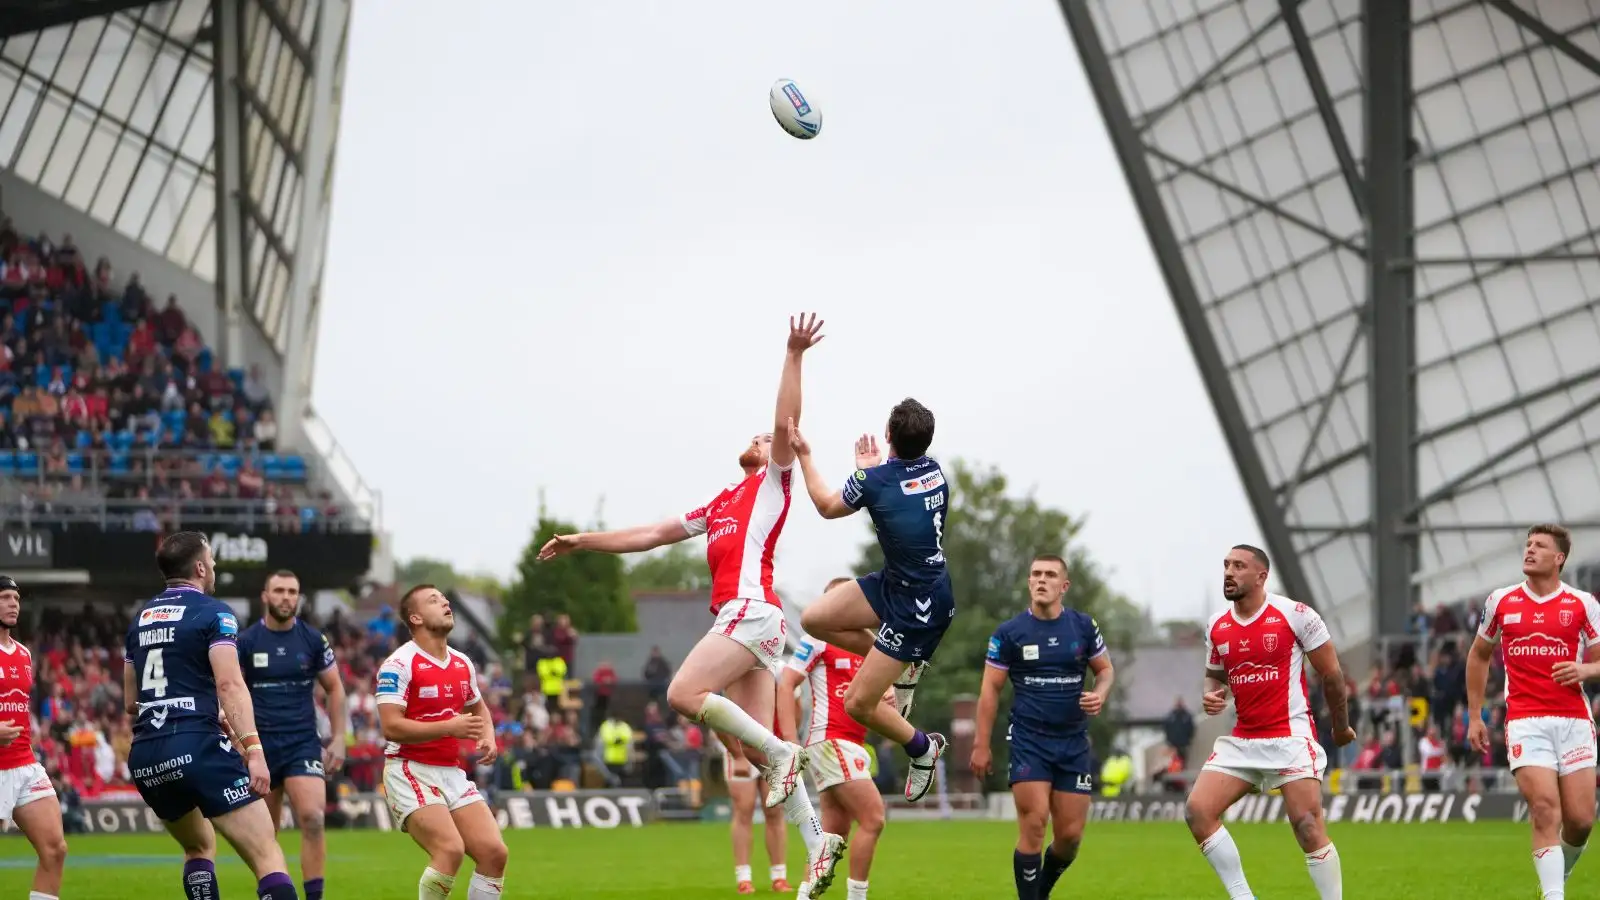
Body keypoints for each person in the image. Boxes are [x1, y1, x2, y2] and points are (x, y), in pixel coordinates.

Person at [538, 314, 845, 896]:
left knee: (683, 695)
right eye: (758, 436)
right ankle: (817, 849)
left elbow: (787, 418)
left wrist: (793, 354)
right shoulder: (720, 504)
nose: (758, 438)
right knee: (757, 753)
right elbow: (650, 535)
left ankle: (784, 753)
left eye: (763, 437)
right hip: (755, 625)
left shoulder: (771, 483)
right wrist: (583, 541)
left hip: (750, 611)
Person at [786, 400, 952, 802]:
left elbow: (828, 506)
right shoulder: (934, 472)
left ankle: (923, 749)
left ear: (889, 434)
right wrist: (874, 470)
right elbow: (896, 501)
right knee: (815, 618)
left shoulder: (875, 480)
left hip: (917, 609)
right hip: (899, 583)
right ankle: (906, 663)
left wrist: (806, 455)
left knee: (858, 703)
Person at [122, 531, 300, 900]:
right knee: (267, 853)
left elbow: (130, 701)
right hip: (196, 745)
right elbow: (230, 685)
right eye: (213, 560)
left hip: (147, 754)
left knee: (198, 848)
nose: (215, 566)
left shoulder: (139, 619)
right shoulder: (214, 612)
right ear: (200, 567)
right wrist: (254, 750)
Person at [1184, 544, 1353, 900]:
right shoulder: (1217, 625)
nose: (1229, 572)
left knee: (1307, 825)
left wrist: (1340, 726)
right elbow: (1214, 677)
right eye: (1226, 564)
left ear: (1261, 576)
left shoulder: (1296, 614)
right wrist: (1210, 694)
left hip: (1289, 735)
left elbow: (1333, 675)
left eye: (1239, 566)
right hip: (1242, 740)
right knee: (1198, 812)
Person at [1467, 523, 1600, 900]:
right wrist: (1475, 715)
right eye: (1528, 544)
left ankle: (1558, 876)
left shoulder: (1582, 604)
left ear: (1559, 558)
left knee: (1580, 822)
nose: (1530, 550)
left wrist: (1585, 670)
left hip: (1574, 720)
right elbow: (1478, 655)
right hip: (1525, 720)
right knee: (1544, 808)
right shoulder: (1501, 602)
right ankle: (1554, 895)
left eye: (1540, 546)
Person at [971, 555, 1114, 900]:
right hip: (1028, 739)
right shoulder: (1009, 633)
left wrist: (1099, 693)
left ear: (1064, 586)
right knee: (1034, 823)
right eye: (1035, 574)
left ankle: (1040, 893)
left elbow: (1105, 670)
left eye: (1050, 575)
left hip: (1073, 742)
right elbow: (990, 689)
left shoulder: (1083, 626)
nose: (1041, 580)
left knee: (1069, 838)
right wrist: (981, 744)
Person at [376, 584, 507, 900]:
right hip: (410, 769)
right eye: (435, 601)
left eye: (446, 600)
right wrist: (450, 725)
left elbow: (478, 707)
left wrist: (487, 736)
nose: (446, 603)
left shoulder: (462, 662)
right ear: (416, 617)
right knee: (450, 850)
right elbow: (391, 727)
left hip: (450, 771)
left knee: (494, 853)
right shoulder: (399, 664)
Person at [237, 569, 347, 900]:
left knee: (313, 818)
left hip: (302, 743)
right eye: (280, 590)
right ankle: (274, 892)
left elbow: (335, 689)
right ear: (265, 596)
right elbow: (232, 693)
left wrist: (339, 738)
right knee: (265, 834)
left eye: (292, 591)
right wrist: (241, 742)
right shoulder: (245, 642)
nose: (287, 597)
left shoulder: (313, 640)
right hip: (262, 747)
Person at [778, 582, 891, 900]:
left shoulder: (873, 647)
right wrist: (789, 742)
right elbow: (787, 684)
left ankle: (804, 895)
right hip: (831, 740)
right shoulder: (817, 639)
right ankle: (857, 897)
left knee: (834, 831)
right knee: (873, 817)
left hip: (851, 743)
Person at [0, 576, 68, 900]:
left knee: (55, 850)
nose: (13, 603)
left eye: (15, 597)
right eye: (4, 597)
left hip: (25, 764)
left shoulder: (25, 654)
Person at [718, 732, 792, 894]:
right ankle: (743, 879)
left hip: (771, 748)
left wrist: (789, 745)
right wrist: (737, 754)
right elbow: (717, 717)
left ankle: (779, 877)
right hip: (739, 746)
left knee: (775, 810)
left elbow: (792, 712)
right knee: (743, 809)